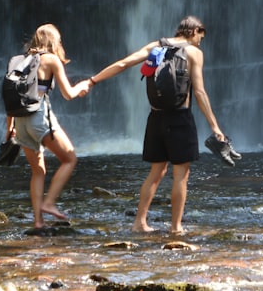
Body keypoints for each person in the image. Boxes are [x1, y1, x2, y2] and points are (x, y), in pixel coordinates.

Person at [85, 15, 226, 234]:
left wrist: (92, 81)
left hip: (156, 118)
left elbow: (124, 63)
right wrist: (215, 126)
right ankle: (176, 227)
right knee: (181, 175)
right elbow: (199, 91)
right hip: (180, 118)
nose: (201, 41)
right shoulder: (193, 53)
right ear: (195, 31)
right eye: (201, 36)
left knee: (156, 172)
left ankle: (139, 222)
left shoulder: (155, 46)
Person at [4, 24, 91, 229]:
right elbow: (68, 94)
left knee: (38, 171)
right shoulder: (51, 59)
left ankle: (38, 222)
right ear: (53, 42)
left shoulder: (20, 61)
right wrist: (83, 86)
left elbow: (11, 96)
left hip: (20, 120)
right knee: (69, 159)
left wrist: (9, 128)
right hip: (38, 118)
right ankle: (49, 202)